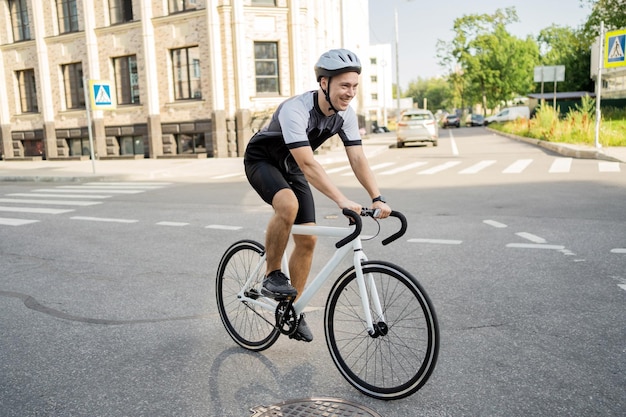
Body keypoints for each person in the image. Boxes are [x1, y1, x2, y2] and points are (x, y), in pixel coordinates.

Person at [243, 48, 391, 342]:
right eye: (344, 86)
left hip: (293, 166)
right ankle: (272, 274)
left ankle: (290, 311)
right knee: (287, 204)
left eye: (354, 86)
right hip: (263, 160)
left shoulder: (344, 115)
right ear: (324, 83)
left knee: (308, 239)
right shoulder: (295, 109)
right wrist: (341, 200)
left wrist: (377, 197)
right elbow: (309, 163)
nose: (350, 93)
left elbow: (358, 158)